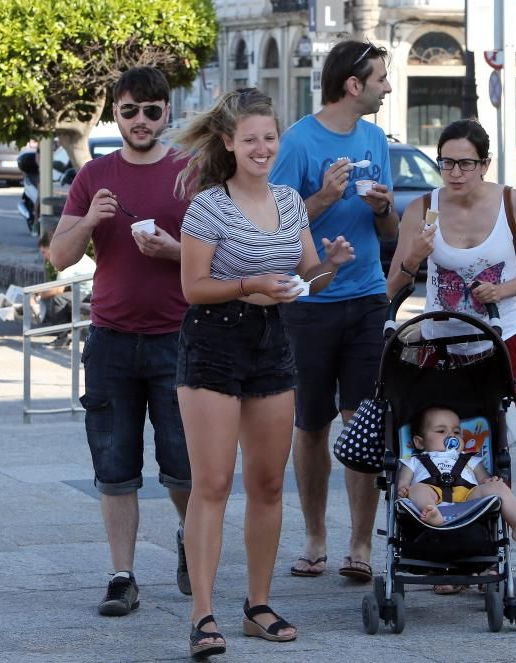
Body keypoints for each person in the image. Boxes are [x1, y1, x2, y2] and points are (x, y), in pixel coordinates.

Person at [173, 87, 355, 659]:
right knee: (213, 484)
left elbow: (304, 279)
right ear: (228, 143)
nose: (261, 147)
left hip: (273, 344)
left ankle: (257, 605)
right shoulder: (208, 204)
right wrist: (251, 284)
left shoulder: (289, 201)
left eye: (269, 137)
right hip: (213, 344)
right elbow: (192, 288)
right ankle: (203, 614)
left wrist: (330, 265)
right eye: (249, 138)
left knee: (270, 484)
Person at [49, 66, 193, 617]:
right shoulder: (94, 176)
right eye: (129, 110)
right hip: (109, 339)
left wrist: (173, 250)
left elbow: (219, 253)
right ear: (115, 113)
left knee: (182, 463)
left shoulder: (190, 171)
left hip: (178, 338)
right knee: (113, 463)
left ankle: (188, 533)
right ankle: (122, 575)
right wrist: (89, 218)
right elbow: (59, 258)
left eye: (151, 110)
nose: (140, 120)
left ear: (166, 114)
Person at [269, 40, 398, 582]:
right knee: (312, 423)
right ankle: (316, 537)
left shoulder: (374, 139)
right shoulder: (298, 141)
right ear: (353, 84)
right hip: (310, 301)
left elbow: (388, 232)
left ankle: (361, 546)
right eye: (381, 78)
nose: (387, 87)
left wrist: (385, 209)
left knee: (364, 419)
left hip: (367, 298)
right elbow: (274, 225)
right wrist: (321, 198)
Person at [387, 119, 516, 404]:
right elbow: (392, 288)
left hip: (500, 339)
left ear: (485, 165)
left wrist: (500, 290)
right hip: (439, 345)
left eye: (466, 164)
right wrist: (414, 256)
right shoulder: (422, 208)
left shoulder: (515, 204)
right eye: (447, 163)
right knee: (441, 442)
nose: (455, 173)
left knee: (495, 439)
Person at [399, 406, 516, 540]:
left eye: (456, 432)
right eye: (441, 431)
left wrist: (489, 481)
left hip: (468, 499)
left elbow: (483, 479)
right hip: (433, 495)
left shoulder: (470, 459)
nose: (451, 436)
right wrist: (403, 488)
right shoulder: (415, 460)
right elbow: (403, 483)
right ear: (420, 442)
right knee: (417, 489)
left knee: (498, 487)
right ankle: (432, 512)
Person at [33, 233, 95, 348]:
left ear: (52, 249)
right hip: (89, 291)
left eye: (44, 252)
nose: (45, 257)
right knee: (63, 298)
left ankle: (62, 338)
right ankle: (64, 336)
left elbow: (57, 289)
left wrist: (37, 295)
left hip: (90, 294)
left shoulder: (65, 258)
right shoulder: (71, 253)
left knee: (59, 299)